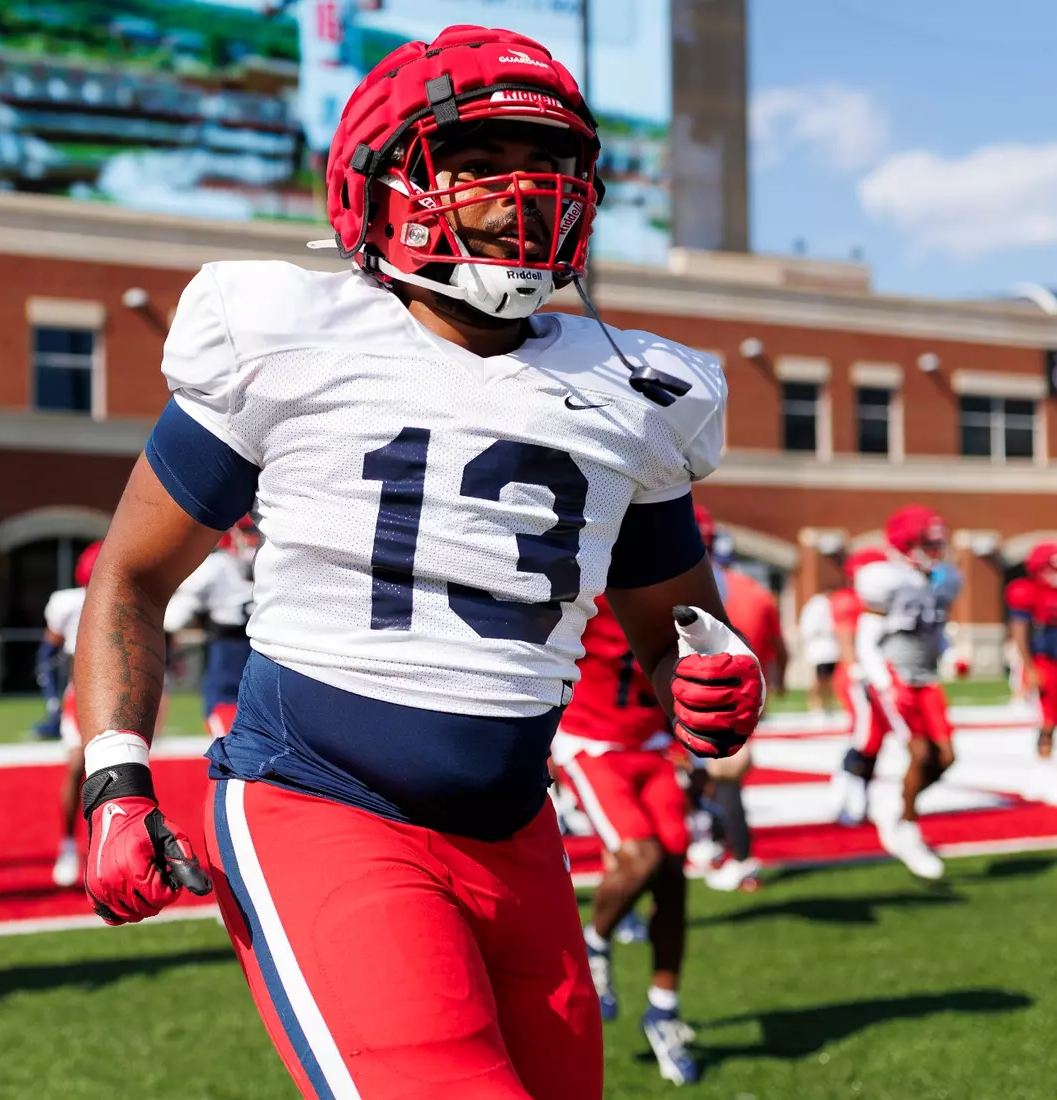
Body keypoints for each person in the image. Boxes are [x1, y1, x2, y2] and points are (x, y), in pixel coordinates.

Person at [68, 26, 765, 1099]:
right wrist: (115, 775)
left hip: (519, 832)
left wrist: (712, 682)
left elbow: (679, 630)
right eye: (476, 164)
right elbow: (131, 576)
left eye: (544, 167)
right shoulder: (291, 330)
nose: (516, 193)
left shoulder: (638, 388)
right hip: (322, 803)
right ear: (375, 184)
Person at [554, 594, 700, 1084]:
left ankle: (664, 1009)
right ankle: (595, 942)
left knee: (675, 876)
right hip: (593, 743)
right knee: (640, 856)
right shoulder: (585, 582)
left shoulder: (681, 596)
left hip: (654, 745)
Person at [855, 505, 958, 880]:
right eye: (928, 544)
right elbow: (867, 636)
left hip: (926, 677)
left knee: (946, 758)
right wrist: (882, 680)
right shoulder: (888, 580)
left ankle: (899, 809)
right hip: (896, 676)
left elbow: (936, 630)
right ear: (906, 544)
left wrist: (953, 654)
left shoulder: (938, 582)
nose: (937, 551)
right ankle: (907, 825)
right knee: (918, 751)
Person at [697, 506, 784, 892]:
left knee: (721, 777)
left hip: (695, 693)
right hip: (743, 693)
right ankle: (719, 845)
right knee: (719, 776)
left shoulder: (691, 588)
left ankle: (739, 858)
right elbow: (776, 652)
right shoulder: (755, 591)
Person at [163, 515, 259, 737]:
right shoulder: (271, 562)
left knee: (224, 712)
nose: (253, 539)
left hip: (234, 650)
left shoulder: (215, 567)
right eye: (248, 532)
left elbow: (174, 618)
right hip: (250, 647)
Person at [45, 542, 103, 889]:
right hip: (80, 692)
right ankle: (68, 845)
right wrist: (51, 698)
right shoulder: (67, 603)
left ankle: (112, 846)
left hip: (121, 692)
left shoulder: (134, 596)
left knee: (124, 771)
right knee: (75, 766)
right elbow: (48, 651)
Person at [830, 548, 894, 825]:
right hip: (858, 677)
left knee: (876, 740)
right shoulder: (849, 600)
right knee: (864, 738)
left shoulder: (881, 600)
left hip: (877, 675)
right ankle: (846, 799)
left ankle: (861, 799)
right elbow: (846, 637)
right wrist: (856, 668)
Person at [1005, 541, 1057, 758]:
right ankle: (1045, 740)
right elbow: (1020, 631)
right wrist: (1028, 667)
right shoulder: (1028, 591)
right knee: (1049, 704)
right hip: (1044, 656)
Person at [797, 588, 839, 714]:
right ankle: (815, 705)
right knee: (819, 678)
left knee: (829, 679)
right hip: (821, 648)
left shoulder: (826, 604)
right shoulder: (817, 605)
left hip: (829, 648)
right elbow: (809, 628)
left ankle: (826, 704)